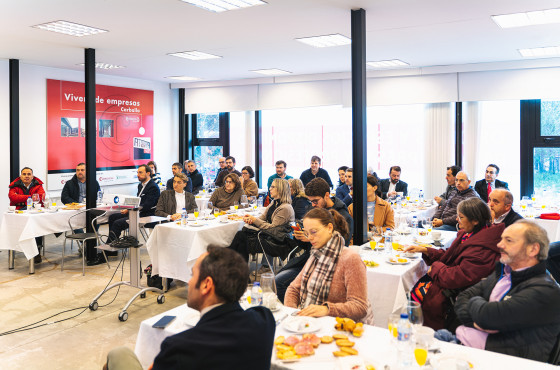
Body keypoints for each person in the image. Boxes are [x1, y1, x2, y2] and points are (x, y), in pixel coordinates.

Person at [103, 247, 275, 370]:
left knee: (118, 354)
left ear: (207, 284)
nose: (189, 282)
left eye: (193, 275)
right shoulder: (264, 321)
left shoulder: (179, 347)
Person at [455, 220, 560, 363]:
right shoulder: (504, 272)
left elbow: (489, 317)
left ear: (533, 250)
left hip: (505, 362)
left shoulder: (545, 291)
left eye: (508, 240)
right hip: (472, 351)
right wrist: (477, 321)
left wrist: (478, 308)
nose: (499, 245)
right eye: (502, 239)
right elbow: (462, 298)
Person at [404, 197, 504, 330]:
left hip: (457, 293)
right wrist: (426, 250)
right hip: (453, 283)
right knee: (412, 285)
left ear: (475, 220)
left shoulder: (483, 248)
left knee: (412, 293)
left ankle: (423, 331)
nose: (457, 219)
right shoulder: (471, 234)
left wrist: (435, 267)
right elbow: (450, 256)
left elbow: (458, 277)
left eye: (461, 217)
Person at [284, 208, 373, 323]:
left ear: (329, 228)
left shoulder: (350, 258)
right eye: (307, 233)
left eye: (314, 232)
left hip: (341, 328)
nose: (309, 237)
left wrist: (326, 309)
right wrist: (294, 314)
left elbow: (360, 306)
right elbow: (293, 289)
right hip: (312, 324)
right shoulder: (316, 254)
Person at [275, 178, 353, 302]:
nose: (313, 205)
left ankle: (299, 308)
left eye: (315, 201)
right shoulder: (314, 211)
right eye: (310, 201)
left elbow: (342, 245)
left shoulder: (343, 216)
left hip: (331, 264)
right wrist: (300, 236)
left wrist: (309, 239)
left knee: (280, 282)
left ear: (327, 195)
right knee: (278, 280)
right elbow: (306, 247)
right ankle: (296, 309)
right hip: (309, 258)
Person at [228, 178, 295, 262]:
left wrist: (255, 220)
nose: (270, 189)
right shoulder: (274, 202)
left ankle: (229, 262)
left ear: (280, 189)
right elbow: (263, 217)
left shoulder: (285, 208)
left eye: (273, 187)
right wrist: (251, 219)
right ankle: (236, 266)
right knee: (241, 236)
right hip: (268, 236)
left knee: (242, 237)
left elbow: (272, 228)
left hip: (276, 242)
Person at [105, 165, 160, 255]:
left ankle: (107, 251)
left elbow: (146, 206)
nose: (138, 174)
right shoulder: (140, 185)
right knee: (112, 217)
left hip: (146, 214)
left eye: (140, 172)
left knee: (118, 223)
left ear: (148, 173)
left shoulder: (153, 187)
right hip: (137, 212)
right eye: (137, 172)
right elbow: (138, 202)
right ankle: (113, 246)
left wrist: (130, 210)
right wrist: (128, 207)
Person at [9, 167, 46, 263]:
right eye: (24, 174)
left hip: (34, 212)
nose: (26, 176)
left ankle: (37, 252)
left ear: (32, 176)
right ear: (20, 176)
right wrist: (30, 197)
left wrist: (22, 198)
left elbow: (41, 197)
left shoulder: (38, 185)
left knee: (37, 227)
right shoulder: (14, 185)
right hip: (18, 213)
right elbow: (13, 197)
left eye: (29, 174)